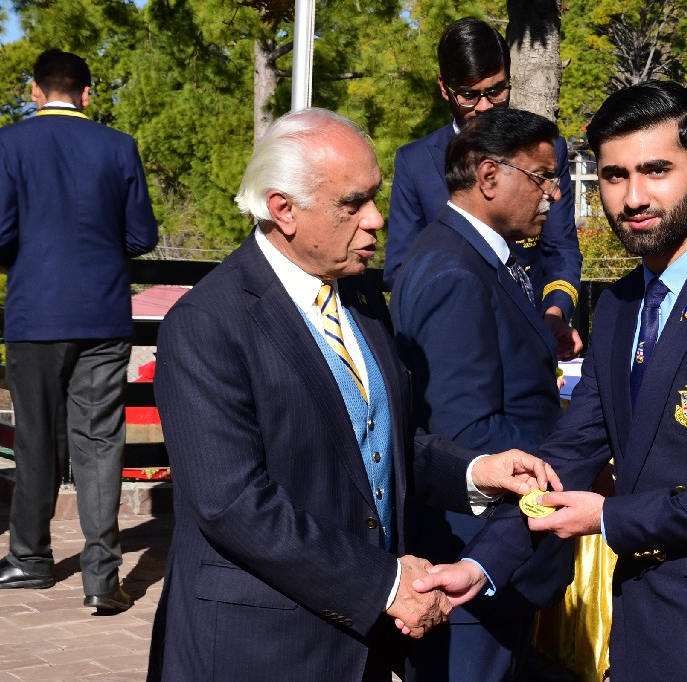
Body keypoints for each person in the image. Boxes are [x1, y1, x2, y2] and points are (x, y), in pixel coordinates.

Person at [416, 80, 687, 681]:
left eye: (656, 171)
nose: (633, 197)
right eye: (614, 176)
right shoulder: (618, 306)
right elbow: (568, 455)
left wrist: (610, 518)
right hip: (639, 628)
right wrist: (479, 565)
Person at [146, 109, 561, 682]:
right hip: (258, 646)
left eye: (374, 196)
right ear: (283, 209)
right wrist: (385, 585)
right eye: (352, 203)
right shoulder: (208, 324)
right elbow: (232, 503)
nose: (376, 219)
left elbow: (376, 442)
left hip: (359, 645)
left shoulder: (360, 297)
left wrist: (475, 472)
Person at [0, 49, 159, 612]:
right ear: (87, 94)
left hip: (36, 313)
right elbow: (142, 235)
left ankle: (30, 560)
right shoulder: (118, 145)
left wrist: (36, 259)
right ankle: (102, 578)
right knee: (101, 441)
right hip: (104, 312)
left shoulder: (10, 143)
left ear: (35, 91)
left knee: (36, 438)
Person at [392, 108, 574, 682]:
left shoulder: (482, 257)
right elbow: (465, 434)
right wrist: (567, 459)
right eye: (542, 177)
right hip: (471, 558)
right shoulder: (454, 272)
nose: (554, 194)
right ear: (490, 176)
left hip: (497, 558)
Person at [385, 17, 583, 361]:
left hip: (531, 334)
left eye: (496, 91)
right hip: (451, 344)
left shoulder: (548, 150)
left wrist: (554, 313)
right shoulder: (415, 162)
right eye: (468, 95)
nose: (484, 106)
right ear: (444, 88)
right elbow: (401, 269)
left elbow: (561, 250)